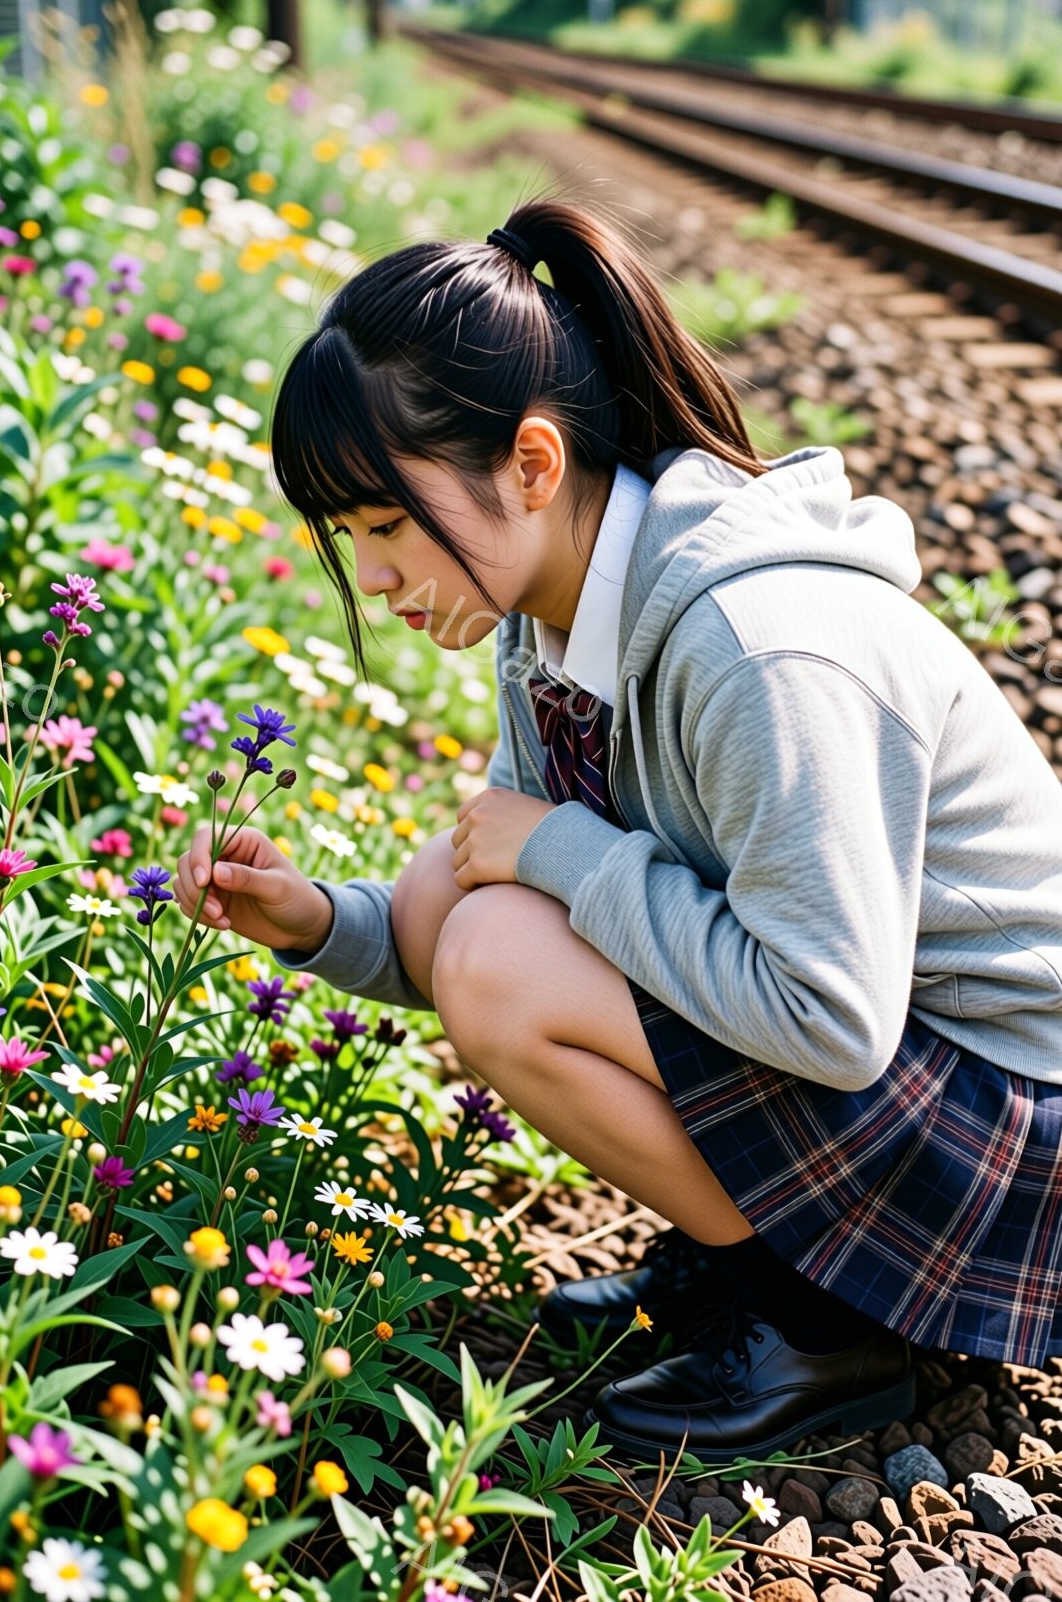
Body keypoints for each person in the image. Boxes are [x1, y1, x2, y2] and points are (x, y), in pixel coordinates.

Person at [171, 195, 1062, 1465]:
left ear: (531, 465)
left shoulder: (759, 648)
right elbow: (475, 892)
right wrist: (317, 923)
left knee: (503, 937)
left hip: (1008, 1128)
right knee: (477, 894)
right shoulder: (554, 613)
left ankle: (819, 1324)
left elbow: (827, 1016)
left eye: (383, 525)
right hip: (897, 1071)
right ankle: (752, 1254)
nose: (369, 577)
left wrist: (563, 854)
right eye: (349, 537)